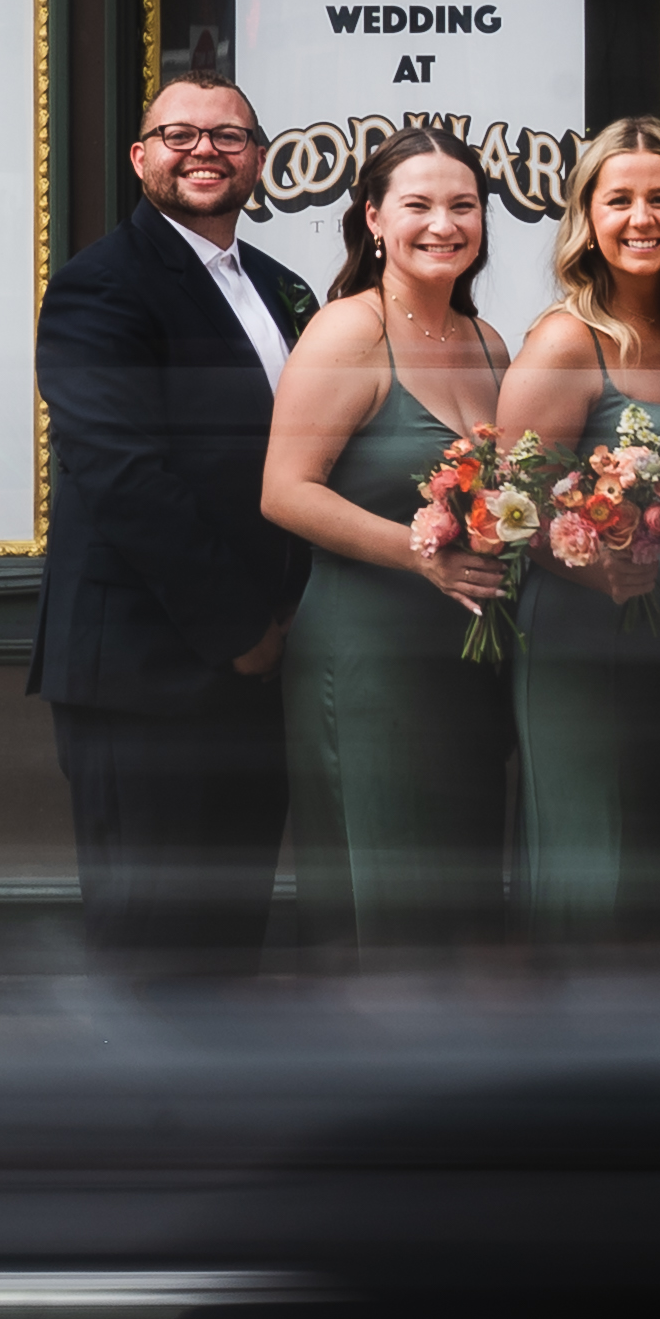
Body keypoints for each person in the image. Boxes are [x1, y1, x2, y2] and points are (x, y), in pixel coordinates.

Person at [26, 68, 316, 977]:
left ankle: (213, 1109)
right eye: (179, 134)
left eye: (228, 136)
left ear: (259, 160)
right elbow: (123, 475)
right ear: (139, 157)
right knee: (150, 935)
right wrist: (242, 631)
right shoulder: (98, 289)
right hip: (146, 669)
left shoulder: (280, 286)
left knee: (228, 932)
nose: (204, 150)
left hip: (256, 667)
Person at [261, 126, 517, 938]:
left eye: (463, 206)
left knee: (462, 893)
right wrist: (422, 556)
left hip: (470, 664)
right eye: (418, 205)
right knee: (388, 899)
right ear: (373, 219)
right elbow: (284, 493)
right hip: (368, 660)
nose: (443, 224)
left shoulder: (489, 343)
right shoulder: (349, 331)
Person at [499, 116, 660, 924]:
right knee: (599, 854)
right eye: (618, 200)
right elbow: (508, 505)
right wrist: (597, 566)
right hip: (585, 631)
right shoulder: (565, 343)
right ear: (586, 218)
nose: (641, 219)